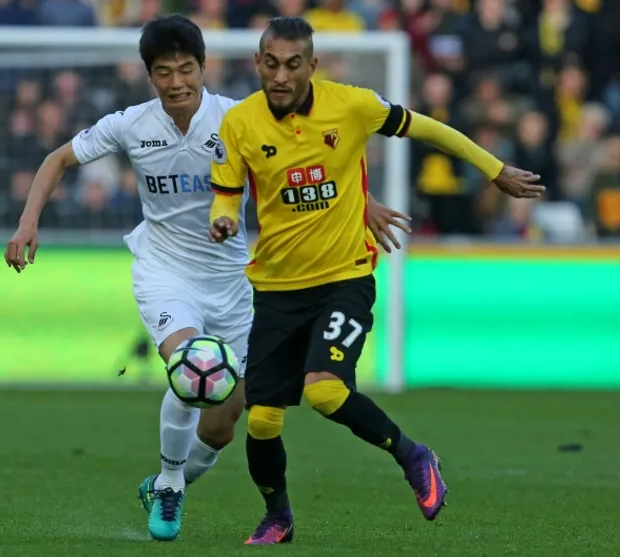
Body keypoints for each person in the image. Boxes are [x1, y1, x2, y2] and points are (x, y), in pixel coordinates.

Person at [2, 14, 412, 543]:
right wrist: (28, 222)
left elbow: (310, 159)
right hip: (165, 270)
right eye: (164, 72)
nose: (176, 83)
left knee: (222, 423)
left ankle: (168, 482)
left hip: (233, 281)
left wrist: (365, 201)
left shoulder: (238, 119)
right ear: (150, 75)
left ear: (204, 68)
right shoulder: (130, 124)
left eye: (186, 70)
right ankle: (172, 484)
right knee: (191, 365)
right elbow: (57, 159)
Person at [208, 16, 545, 546]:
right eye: (271, 64)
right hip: (276, 289)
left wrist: (493, 169)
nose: (280, 75)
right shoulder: (240, 123)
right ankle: (278, 517)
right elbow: (227, 193)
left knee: (325, 391)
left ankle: (413, 456)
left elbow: (428, 128)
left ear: (312, 65)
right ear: (257, 63)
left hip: (345, 278)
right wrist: (223, 219)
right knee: (263, 421)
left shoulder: (352, 105)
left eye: (293, 64)